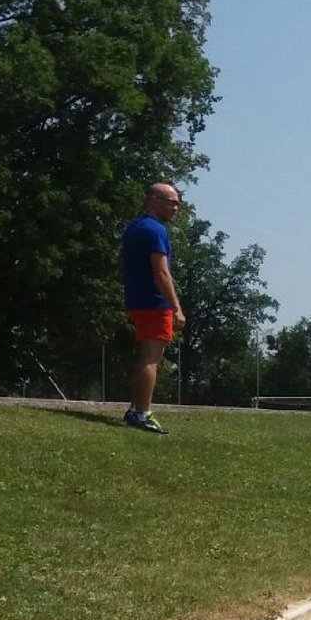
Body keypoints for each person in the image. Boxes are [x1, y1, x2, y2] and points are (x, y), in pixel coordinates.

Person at [120, 182, 185, 435]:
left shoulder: (136, 226)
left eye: (177, 203)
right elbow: (162, 272)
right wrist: (176, 307)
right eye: (171, 202)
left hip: (138, 299)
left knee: (146, 355)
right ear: (154, 200)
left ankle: (135, 409)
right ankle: (142, 414)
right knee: (151, 357)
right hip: (154, 301)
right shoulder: (155, 230)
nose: (175, 208)